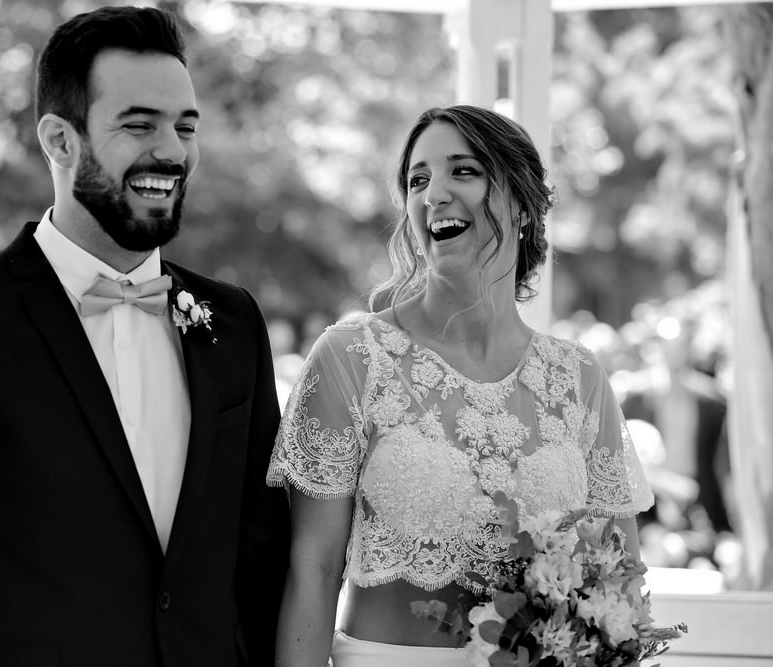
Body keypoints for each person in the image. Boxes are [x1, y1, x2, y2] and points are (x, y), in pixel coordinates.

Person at [0, 7, 290, 666]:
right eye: (139, 124)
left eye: (185, 126)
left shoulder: (230, 323)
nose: (173, 152)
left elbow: (262, 567)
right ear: (60, 141)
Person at [266, 106, 654, 667]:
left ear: (522, 203)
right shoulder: (353, 359)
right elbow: (313, 570)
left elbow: (620, 588)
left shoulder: (579, 378)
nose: (433, 195)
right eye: (417, 180)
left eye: (463, 172)